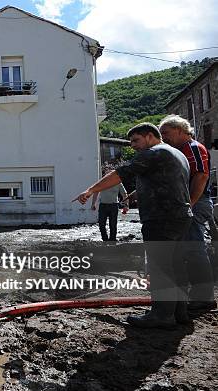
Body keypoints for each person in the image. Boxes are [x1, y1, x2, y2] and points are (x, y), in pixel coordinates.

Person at [73, 123, 192, 329]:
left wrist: (90, 190)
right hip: (180, 216)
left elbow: (121, 173)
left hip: (160, 218)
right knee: (175, 265)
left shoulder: (154, 153)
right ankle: (179, 312)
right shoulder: (176, 154)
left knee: (160, 267)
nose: (133, 146)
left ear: (149, 136)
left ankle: (162, 315)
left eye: (136, 140)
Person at [159, 115, 217, 311]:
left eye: (165, 133)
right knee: (187, 250)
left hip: (195, 203)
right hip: (188, 203)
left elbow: (201, 176)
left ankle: (204, 297)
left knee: (193, 249)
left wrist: (189, 204)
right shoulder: (180, 151)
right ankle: (196, 294)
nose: (163, 137)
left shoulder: (192, 148)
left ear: (180, 130)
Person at [91, 174, 128, 241]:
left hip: (113, 206)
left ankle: (112, 240)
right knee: (101, 224)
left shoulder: (118, 182)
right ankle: (105, 239)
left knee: (113, 225)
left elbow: (124, 194)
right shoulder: (101, 182)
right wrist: (93, 203)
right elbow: (96, 192)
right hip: (103, 205)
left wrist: (126, 205)